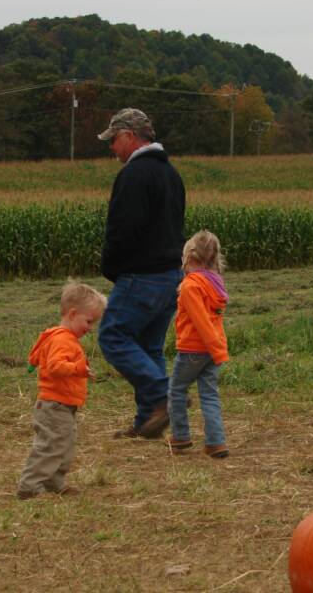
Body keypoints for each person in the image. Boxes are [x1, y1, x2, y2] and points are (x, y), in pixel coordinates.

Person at [96, 108, 186, 440]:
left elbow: (123, 229)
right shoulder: (170, 174)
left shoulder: (134, 175)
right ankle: (149, 420)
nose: (111, 148)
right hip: (171, 275)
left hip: (141, 275)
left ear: (131, 137)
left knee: (113, 337)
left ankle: (163, 395)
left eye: (114, 140)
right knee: (148, 345)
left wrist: (111, 267)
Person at [16, 281, 107, 499]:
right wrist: (78, 368)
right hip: (54, 405)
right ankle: (29, 486)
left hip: (62, 404)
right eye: (89, 321)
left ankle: (53, 482)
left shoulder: (61, 337)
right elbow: (55, 366)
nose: (90, 327)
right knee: (51, 446)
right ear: (73, 314)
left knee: (64, 445)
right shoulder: (63, 341)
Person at [167, 230, 230, 459]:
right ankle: (216, 442)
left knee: (176, 390)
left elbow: (201, 321)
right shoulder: (216, 283)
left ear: (190, 258)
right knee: (209, 395)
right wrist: (218, 350)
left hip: (193, 350)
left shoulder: (190, 286)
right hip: (213, 350)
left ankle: (180, 436)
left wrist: (214, 348)